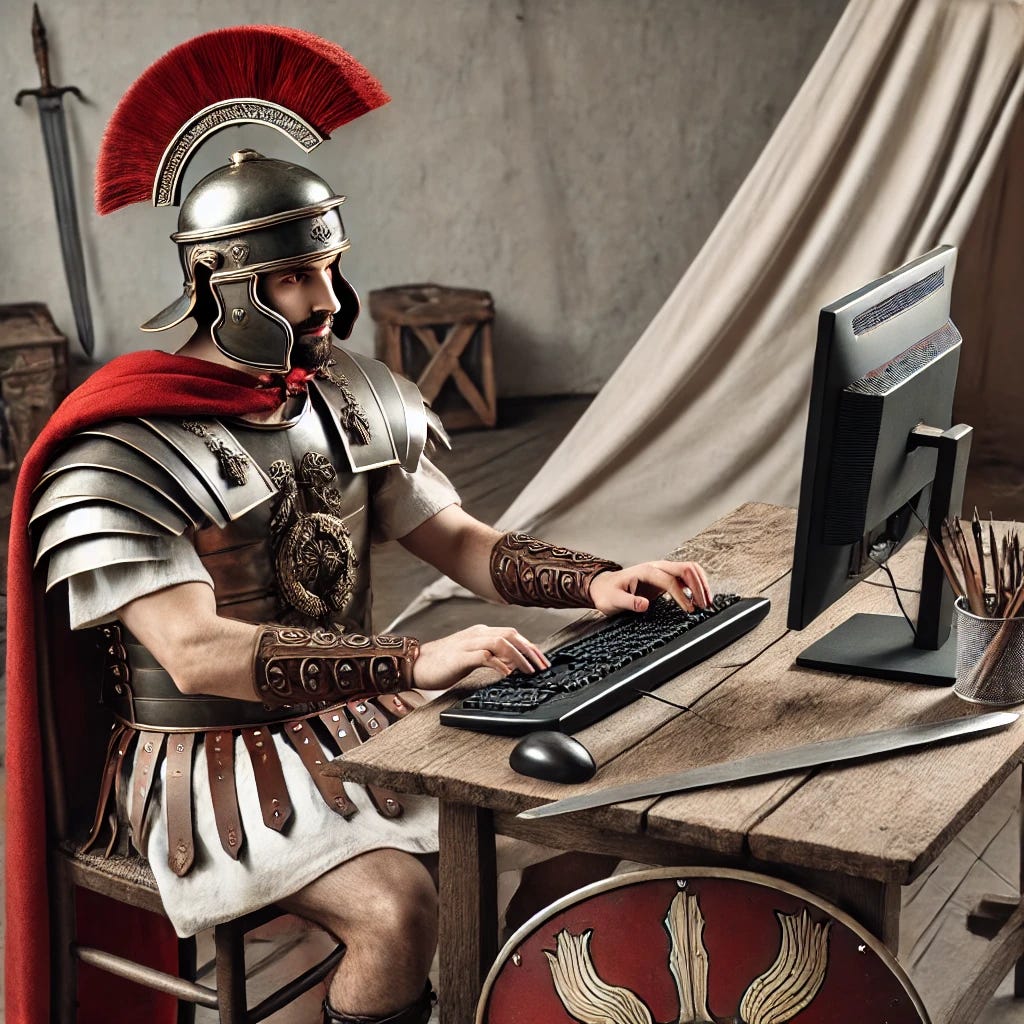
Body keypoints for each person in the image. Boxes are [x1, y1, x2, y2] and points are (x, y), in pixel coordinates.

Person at [10, 26, 711, 1024]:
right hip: (207, 761)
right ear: (223, 281)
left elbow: (456, 539)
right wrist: (414, 662)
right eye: (296, 279)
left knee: (562, 815)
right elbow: (198, 653)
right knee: (395, 907)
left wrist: (593, 578)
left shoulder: (343, 392)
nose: (328, 300)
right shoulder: (126, 447)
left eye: (329, 267)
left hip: (355, 712)